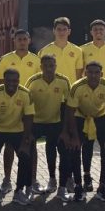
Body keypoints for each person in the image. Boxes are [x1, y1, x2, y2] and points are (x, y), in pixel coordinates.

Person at [63, 61, 105, 202]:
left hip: (100, 116)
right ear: (85, 73)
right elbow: (70, 112)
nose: (93, 75)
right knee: (76, 149)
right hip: (80, 116)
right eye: (90, 72)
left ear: (102, 74)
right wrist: (74, 136)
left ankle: (103, 186)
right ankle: (79, 185)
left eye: (96, 72)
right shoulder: (77, 87)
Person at [0, 29, 40, 191]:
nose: (22, 41)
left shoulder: (35, 60)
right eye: (19, 39)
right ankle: (7, 179)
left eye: (24, 39)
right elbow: (0, 83)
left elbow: (38, 83)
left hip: (28, 106)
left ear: (29, 40)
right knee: (9, 145)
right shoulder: (6, 59)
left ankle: (33, 179)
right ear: (14, 41)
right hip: (10, 107)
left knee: (30, 144)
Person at [0, 69, 36, 205]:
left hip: (17, 130)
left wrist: (26, 140)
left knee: (25, 157)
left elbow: (28, 117)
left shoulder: (26, 94)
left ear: (19, 81)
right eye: (8, 80)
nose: (11, 83)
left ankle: (18, 191)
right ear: (3, 80)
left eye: (15, 80)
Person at [24, 56, 70, 196]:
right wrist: (27, 130)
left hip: (55, 122)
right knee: (30, 151)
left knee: (58, 151)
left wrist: (65, 130)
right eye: (46, 66)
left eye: (51, 65)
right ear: (41, 67)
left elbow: (69, 106)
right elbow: (26, 104)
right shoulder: (32, 81)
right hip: (36, 122)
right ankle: (32, 182)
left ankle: (58, 183)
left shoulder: (63, 81)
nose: (49, 68)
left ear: (55, 66)